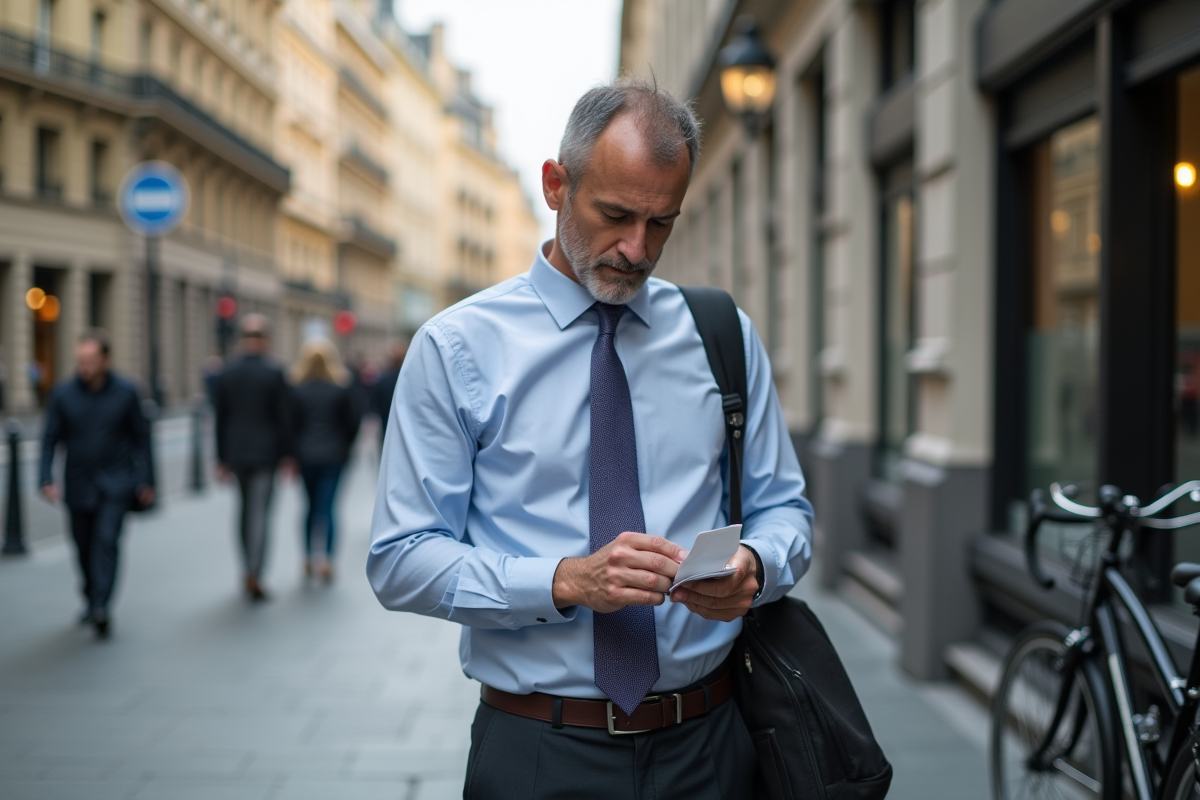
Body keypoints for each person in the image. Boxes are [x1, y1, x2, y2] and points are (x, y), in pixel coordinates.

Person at [367, 80, 813, 798]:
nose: (637, 250)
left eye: (661, 223)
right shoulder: (457, 349)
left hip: (711, 746)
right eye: (616, 215)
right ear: (556, 184)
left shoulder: (720, 334)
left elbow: (787, 508)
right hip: (540, 750)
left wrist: (757, 565)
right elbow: (400, 559)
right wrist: (565, 581)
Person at [39, 329, 155, 639]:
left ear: (106, 359)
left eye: (90, 360)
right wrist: (45, 478)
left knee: (106, 541)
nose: (85, 366)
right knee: (83, 545)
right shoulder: (63, 394)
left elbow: (142, 439)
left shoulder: (126, 392)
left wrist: (146, 480)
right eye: (80, 360)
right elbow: (50, 438)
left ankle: (102, 606)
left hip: (116, 483)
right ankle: (91, 596)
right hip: (78, 484)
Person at [213, 314, 293, 601]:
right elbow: (283, 417)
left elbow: (220, 418)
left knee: (245, 510)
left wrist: (220, 458)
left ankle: (247, 567)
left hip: (236, 453)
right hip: (266, 453)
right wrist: (288, 455)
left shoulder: (227, 372)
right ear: (265, 340)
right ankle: (255, 571)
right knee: (260, 512)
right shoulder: (274, 372)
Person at [289, 338, 361, 582]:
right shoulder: (340, 389)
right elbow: (352, 423)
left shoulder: (297, 389)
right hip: (334, 455)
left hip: (306, 456)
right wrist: (346, 447)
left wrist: (293, 453)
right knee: (329, 508)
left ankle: (308, 557)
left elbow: (291, 426)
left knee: (309, 507)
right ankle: (327, 559)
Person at [369, 340, 407, 453]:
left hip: (386, 424)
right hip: (405, 426)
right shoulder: (410, 380)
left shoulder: (383, 380)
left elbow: (374, 404)